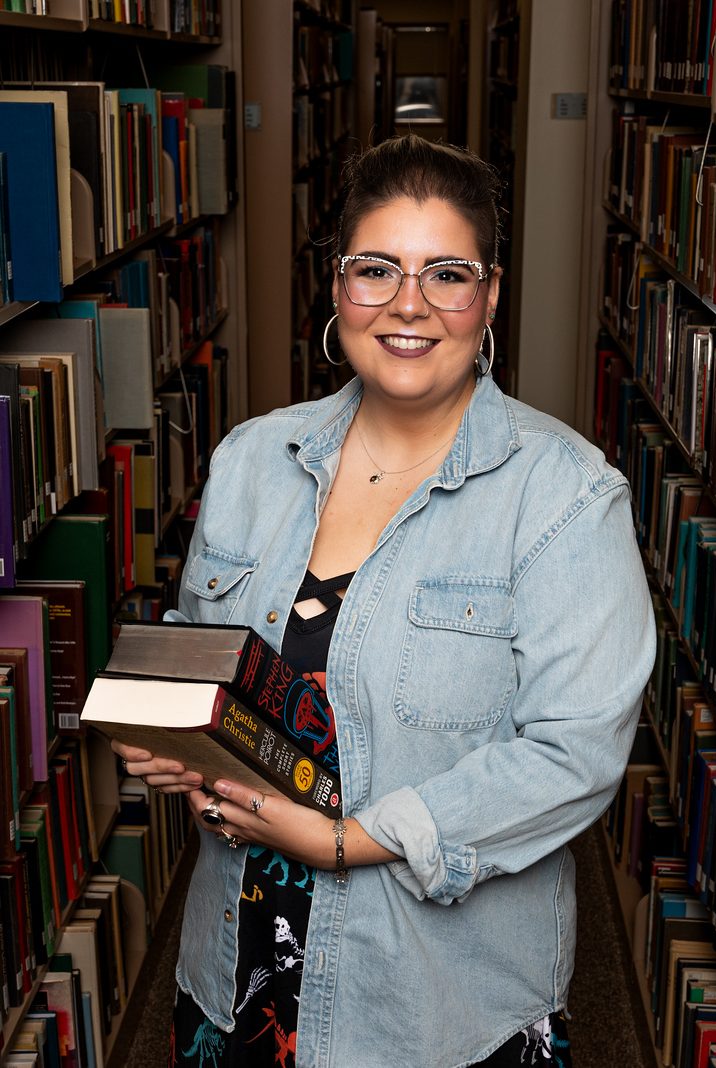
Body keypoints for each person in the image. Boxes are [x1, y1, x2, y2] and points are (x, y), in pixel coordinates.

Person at [112, 134, 655, 1068]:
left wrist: (348, 841)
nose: (409, 305)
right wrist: (175, 749)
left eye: (447, 273)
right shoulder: (251, 460)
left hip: (433, 1010)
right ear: (337, 289)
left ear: (488, 297)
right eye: (377, 270)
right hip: (236, 974)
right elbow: (210, 671)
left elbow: (575, 753)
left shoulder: (565, 496)